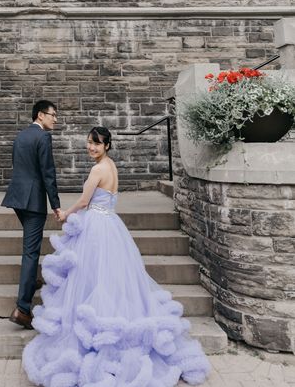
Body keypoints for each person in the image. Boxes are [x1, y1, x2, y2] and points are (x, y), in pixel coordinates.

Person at [22, 126, 211, 386]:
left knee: (91, 276)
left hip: (96, 228)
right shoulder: (111, 166)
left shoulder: (97, 169)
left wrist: (66, 214)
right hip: (111, 224)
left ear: (107, 146)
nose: (92, 147)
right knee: (111, 278)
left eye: (97, 144)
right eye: (89, 142)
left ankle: (97, 332)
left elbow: (84, 202)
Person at [1, 100, 61, 330]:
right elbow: (48, 173)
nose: (55, 119)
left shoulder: (21, 136)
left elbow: (18, 165)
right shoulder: (44, 137)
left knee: (30, 244)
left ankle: (31, 281)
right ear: (40, 115)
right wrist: (55, 204)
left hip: (17, 197)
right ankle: (22, 309)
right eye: (52, 115)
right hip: (33, 201)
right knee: (31, 251)